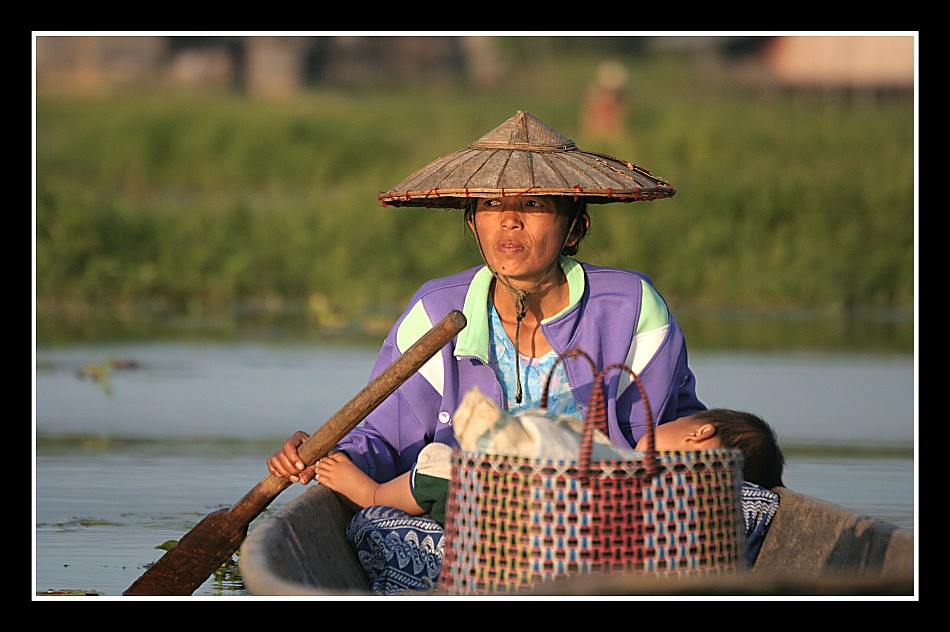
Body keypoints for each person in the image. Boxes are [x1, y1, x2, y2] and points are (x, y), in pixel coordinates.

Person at [267, 111, 706, 593]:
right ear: (473, 221)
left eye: (534, 202)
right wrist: (325, 453)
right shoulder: (435, 310)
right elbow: (384, 437)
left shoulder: (633, 308)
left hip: (598, 525)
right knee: (379, 530)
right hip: (459, 523)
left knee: (746, 508)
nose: (509, 219)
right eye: (492, 203)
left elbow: (652, 448)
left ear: (574, 229)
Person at [314, 406, 784, 592]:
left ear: (700, 433)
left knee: (444, 465)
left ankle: (370, 492)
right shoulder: (708, 511)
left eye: (677, 422)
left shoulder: (658, 477)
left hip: (538, 521)